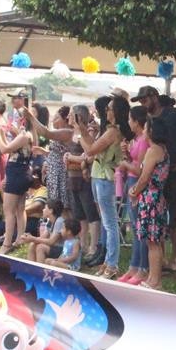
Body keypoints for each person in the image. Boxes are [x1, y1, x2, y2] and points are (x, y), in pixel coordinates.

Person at [131, 85, 176, 272]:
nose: (143, 103)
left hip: (175, 172)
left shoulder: (175, 114)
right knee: (158, 216)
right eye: (140, 101)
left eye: (144, 100)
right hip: (155, 172)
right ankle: (159, 258)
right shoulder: (148, 119)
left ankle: (175, 258)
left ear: (154, 97)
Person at [78, 96, 131, 275]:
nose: (106, 111)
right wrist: (83, 132)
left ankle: (112, 263)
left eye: (109, 108)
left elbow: (91, 150)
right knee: (107, 221)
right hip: (99, 175)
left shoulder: (113, 132)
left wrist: (81, 134)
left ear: (116, 112)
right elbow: (92, 149)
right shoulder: (109, 130)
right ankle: (108, 260)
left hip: (105, 177)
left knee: (110, 222)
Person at [128, 117, 171, 290]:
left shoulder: (153, 150)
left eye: (146, 128)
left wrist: (134, 191)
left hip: (150, 198)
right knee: (154, 240)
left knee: (152, 241)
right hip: (156, 197)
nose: (144, 131)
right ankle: (153, 278)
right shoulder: (163, 149)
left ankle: (155, 280)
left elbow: (144, 177)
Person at [117, 106, 152, 285]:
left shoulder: (144, 140)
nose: (128, 123)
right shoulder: (137, 139)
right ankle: (134, 265)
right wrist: (126, 155)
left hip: (136, 184)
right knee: (136, 228)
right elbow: (135, 162)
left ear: (137, 122)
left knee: (140, 230)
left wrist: (124, 163)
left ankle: (142, 268)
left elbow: (141, 170)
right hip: (132, 182)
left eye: (130, 119)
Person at [62, 105, 101, 259]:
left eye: (71, 114)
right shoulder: (71, 133)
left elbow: (90, 155)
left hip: (85, 179)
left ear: (79, 116)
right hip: (72, 178)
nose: (68, 117)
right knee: (79, 215)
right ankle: (83, 245)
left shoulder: (88, 132)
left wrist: (71, 157)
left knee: (90, 213)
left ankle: (93, 246)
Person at [0, 110, 35, 253]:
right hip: (20, 173)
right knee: (19, 208)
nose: (12, 122)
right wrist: (4, 135)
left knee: (9, 210)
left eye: (16, 119)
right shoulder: (23, 136)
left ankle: (7, 243)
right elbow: (11, 148)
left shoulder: (25, 135)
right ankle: (19, 238)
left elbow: (4, 149)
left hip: (17, 174)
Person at [26, 104, 74, 215]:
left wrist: (31, 117)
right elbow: (58, 153)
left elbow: (46, 133)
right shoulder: (61, 133)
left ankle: (64, 228)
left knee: (62, 207)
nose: (53, 120)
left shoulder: (67, 132)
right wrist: (45, 153)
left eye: (57, 118)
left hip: (61, 175)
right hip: (53, 173)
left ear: (66, 120)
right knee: (55, 206)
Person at [18, 198, 65, 263]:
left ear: (51, 211)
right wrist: (29, 238)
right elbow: (42, 238)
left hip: (62, 250)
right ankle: (32, 267)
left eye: (45, 208)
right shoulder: (50, 221)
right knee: (33, 244)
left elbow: (51, 242)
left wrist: (33, 238)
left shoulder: (59, 221)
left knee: (41, 247)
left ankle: (41, 270)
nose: (43, 210)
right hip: (54, 247)